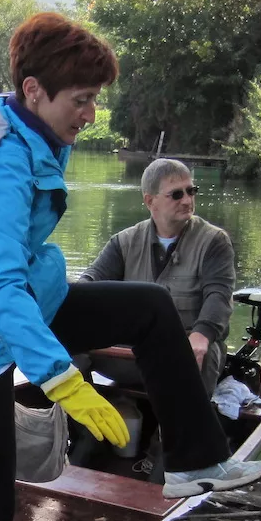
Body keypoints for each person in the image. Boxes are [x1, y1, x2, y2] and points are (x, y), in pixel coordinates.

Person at [0, 12, 261, 521]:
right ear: (34, 91)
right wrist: (62, 379)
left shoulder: (22, 121)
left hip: (29, 301)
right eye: (81, 100)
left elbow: (14, 280)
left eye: (94, 99)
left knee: (150, 308)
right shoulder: (0, 165)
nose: (90, 114)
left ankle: (194, 460)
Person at [80, 157, 235, 394]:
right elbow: (90, 283)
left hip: (185, 350)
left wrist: (201, 335)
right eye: (176, 194)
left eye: (191, 191)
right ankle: (82, 414)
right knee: (70, 340)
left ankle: (185, 419)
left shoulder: (214, 241)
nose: (187, 200)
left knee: (200, 356)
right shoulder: (124, 242)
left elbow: (219, 295)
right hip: (130, 352)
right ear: (150, 201)